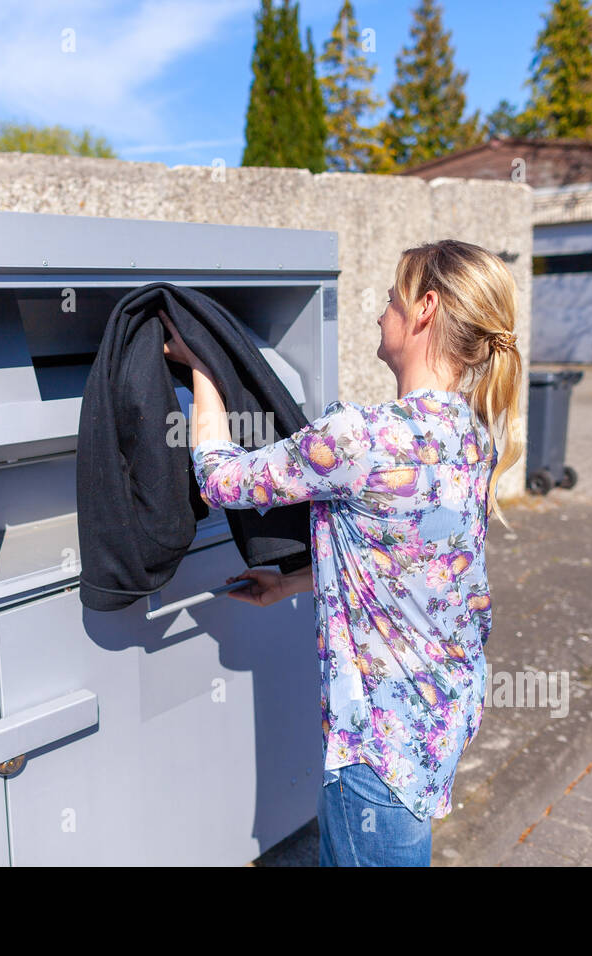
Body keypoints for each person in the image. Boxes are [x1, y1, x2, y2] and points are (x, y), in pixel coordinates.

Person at [160, 238, 523, 867]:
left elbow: (221, 481)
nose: (380, 315)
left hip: (377, 748)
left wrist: (203, 369)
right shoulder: (471, 432)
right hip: (439, 717)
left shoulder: (361, 438)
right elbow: (415, 568)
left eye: (390, 301)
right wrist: (295, 582)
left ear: (426, 309)